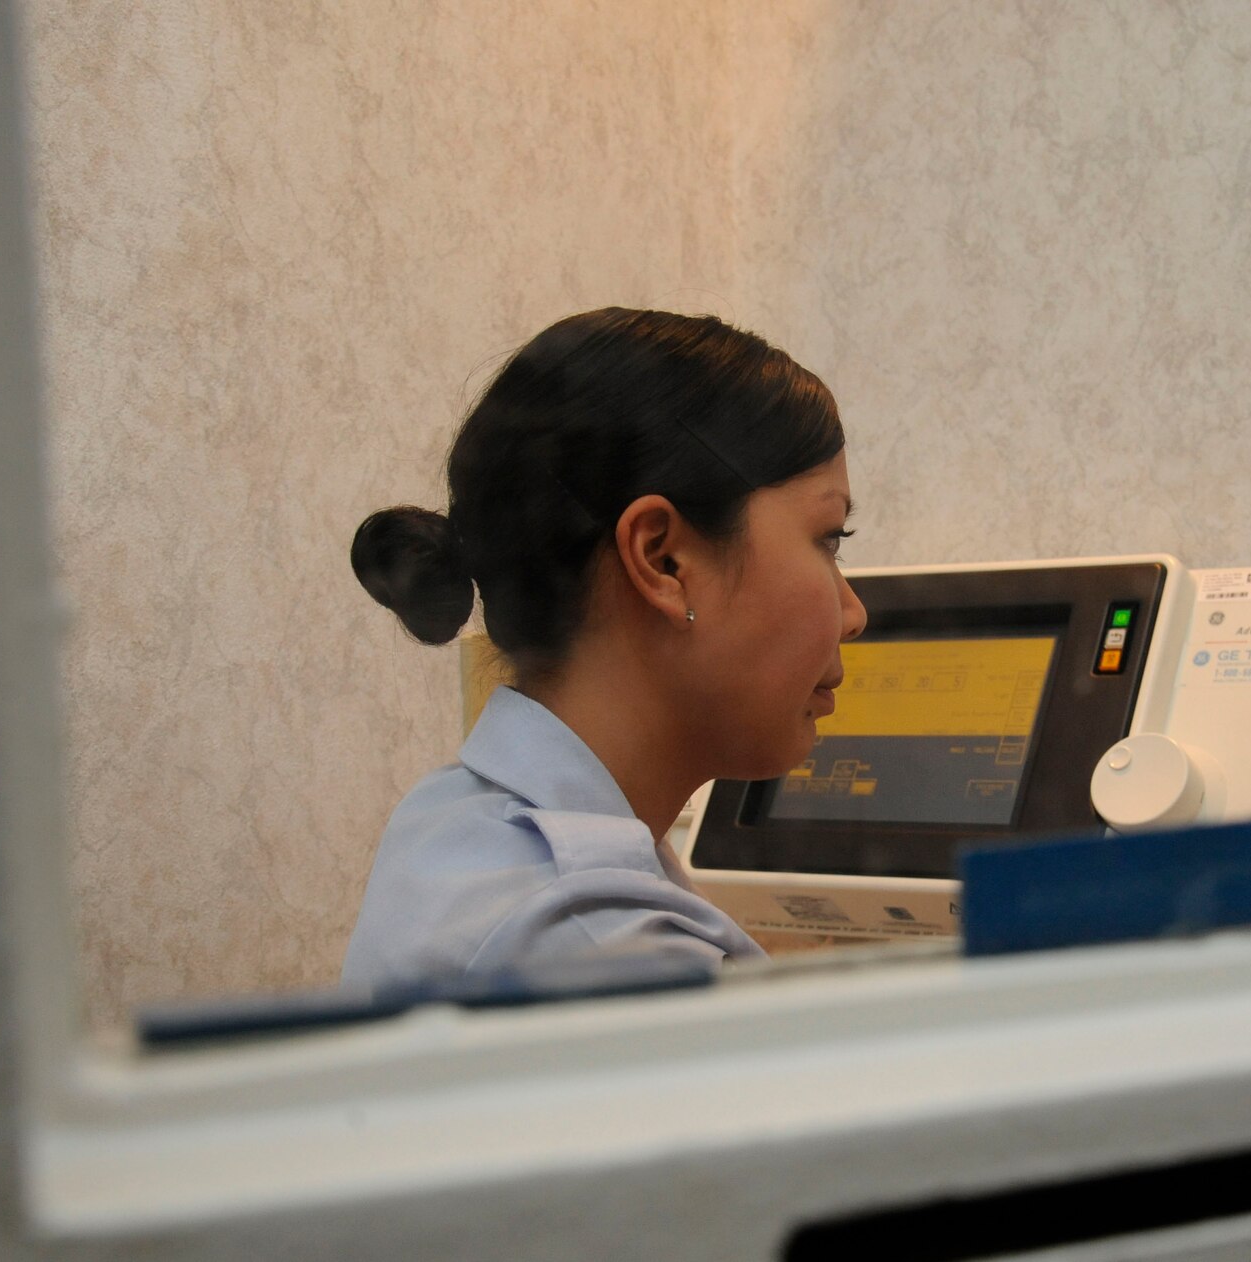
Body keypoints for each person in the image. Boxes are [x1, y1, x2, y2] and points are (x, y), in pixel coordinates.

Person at [341, 308, 866, 992]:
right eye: (827, 539)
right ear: (663, 559)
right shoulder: (601, 948)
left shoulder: (454, 817)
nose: (853, 613)